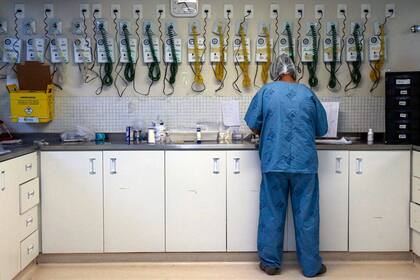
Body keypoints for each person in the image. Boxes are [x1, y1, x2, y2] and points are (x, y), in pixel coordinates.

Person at [245, 54, 328, 278]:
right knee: (307, 215)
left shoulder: (266, 92)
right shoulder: (308, 93)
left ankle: (271, 264)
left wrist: (267, 129)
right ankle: (311, 267)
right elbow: (322, 128)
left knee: (271, 212)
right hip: (304, 164)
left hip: (274, 162)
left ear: (275, 72)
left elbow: (253, 124)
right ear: (295, 71)